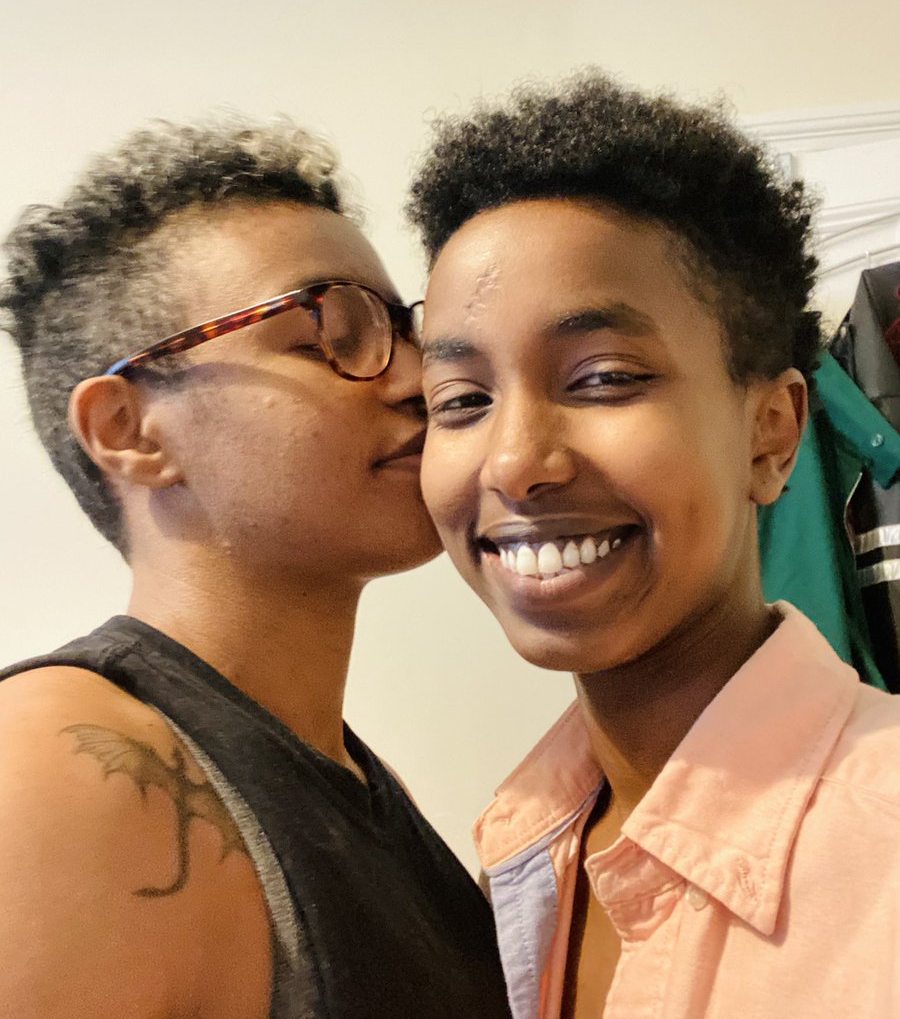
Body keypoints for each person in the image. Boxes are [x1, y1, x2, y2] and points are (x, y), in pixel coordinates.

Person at [406, 73, 900, 1019]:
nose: (514, 462)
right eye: (462, 399)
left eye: (602, 379)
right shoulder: (515, 856)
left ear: (771, 434)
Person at [0, 118, 511, 1019]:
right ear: (129, 430)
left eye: (405, 333)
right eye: (333, 333)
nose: (413, 383)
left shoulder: (357, 784)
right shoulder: (56, 763)